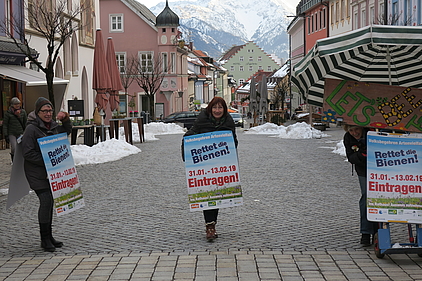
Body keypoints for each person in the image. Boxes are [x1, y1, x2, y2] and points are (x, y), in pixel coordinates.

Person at [182, 97, 238, 241]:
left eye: (220, 108)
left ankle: (212, 225)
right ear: (210, 109)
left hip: (221, 165)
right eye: (215, 107)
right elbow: (189, 136)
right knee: (208, 195)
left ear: (224, 110)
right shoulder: (202, 121)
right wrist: (186, 152)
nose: (217, 110)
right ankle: (210, 227)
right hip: (205, 166)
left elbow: (234, 142)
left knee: (217, 196)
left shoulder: (229, 122)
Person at [21, 97, 72, 252]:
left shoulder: (54, 126)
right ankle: (44, 239)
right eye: (45, 111)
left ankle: (49, 236)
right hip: (36, 173)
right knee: (46, 200)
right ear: (38, 112)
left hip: (50, 173)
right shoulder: (31, 129)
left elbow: (66, 132)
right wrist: (48, 160)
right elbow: (28, 153)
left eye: (50, 110)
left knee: (49, 203)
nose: (48, 113)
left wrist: (66, 120)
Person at [343, 124, 377, 246]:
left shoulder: (372, 132)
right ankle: (366, 233)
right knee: (366, 197)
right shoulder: (348, 138)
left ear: (362, 127)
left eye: (356, 129)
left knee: (380, 197)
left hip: (379, 169)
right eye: (351, 130)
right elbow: (351, 157)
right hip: (363, 170)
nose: (354, 133)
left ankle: (379, 229)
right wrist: (362, 155)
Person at [3, 97, 27, 163]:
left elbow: (26, 123)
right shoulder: (8, 114)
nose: (17, 105)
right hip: (12, 133)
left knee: (22, 147)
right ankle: (14, 160)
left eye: (18, 104)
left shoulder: (23, 112)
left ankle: (21, 160)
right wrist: (6, 134)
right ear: (12, 105)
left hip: (20, 132)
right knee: (14, 148)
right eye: (16, 104)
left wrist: (26, 131)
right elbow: (5, 124)